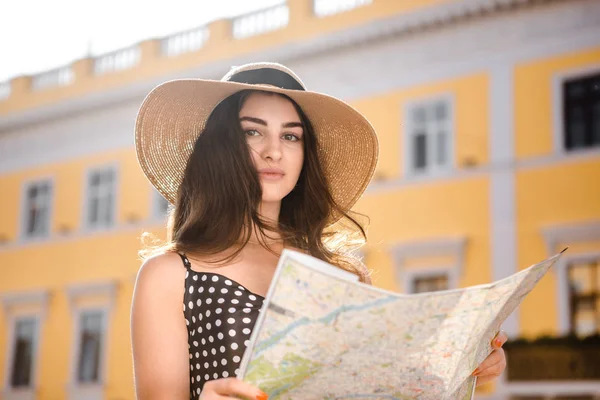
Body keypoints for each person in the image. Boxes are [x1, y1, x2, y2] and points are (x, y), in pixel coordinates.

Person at [130, 62, 507, 400]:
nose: (274, 151)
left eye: (291, 136)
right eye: (253, 133)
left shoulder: (346, 276)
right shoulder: (170, 276)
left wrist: (466, 365)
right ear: (219, 148)